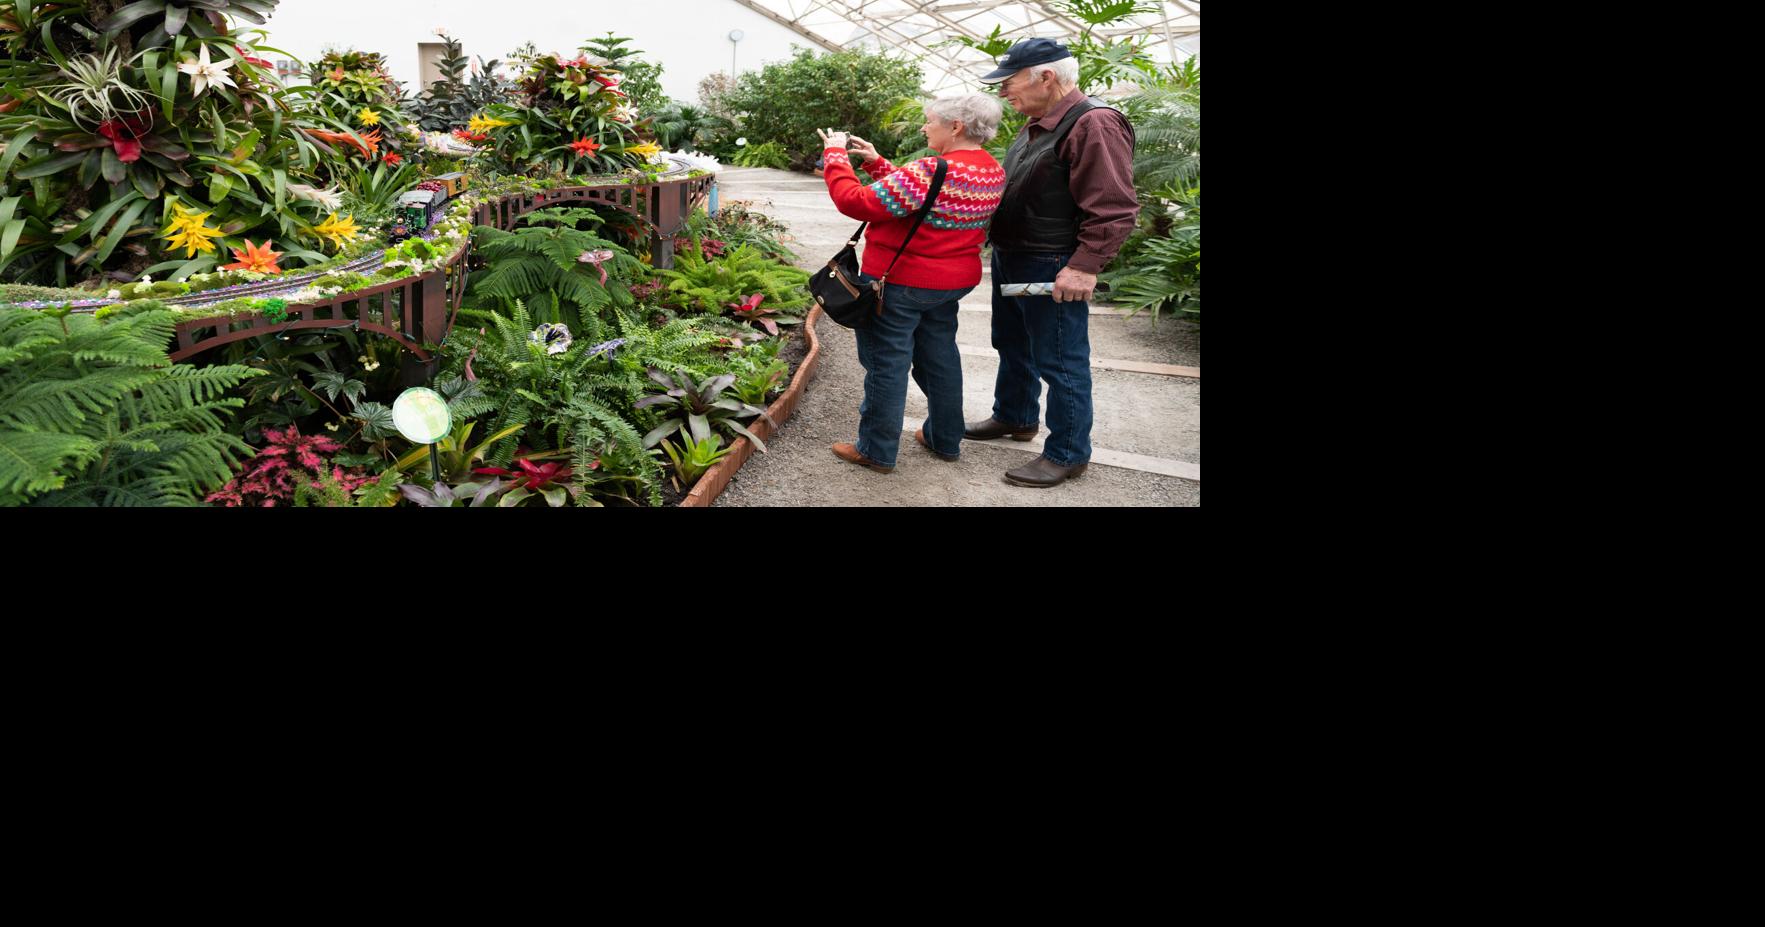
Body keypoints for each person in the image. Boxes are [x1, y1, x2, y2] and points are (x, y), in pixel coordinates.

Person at [973, 38, 1140, 487]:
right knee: (1012, 343)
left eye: (1008, 83)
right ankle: (1014, 416)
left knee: (1060, 358)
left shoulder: (1094, 123)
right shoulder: (1039, 122)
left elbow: (1114, 207)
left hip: (1051, 262)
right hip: (1017, 255)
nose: (1003, 93)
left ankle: (1067, 452)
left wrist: (1084, 266)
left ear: (1046, 76)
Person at [817, 94, 1007, 473]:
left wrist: (835, 156)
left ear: (956, 126)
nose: (924, 126)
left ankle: (876, 450)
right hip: (950, 283)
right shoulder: (991, 170)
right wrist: (877, 164)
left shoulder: (932, 168)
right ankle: (944, 437)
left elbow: (857, 203)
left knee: (886, 364)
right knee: (940, 359)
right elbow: (926, 195)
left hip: (900, 284)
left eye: (930, 120)